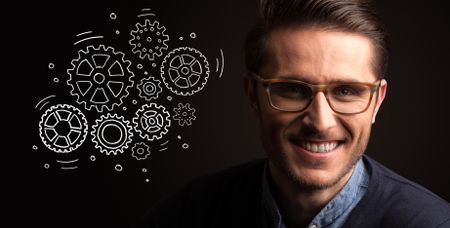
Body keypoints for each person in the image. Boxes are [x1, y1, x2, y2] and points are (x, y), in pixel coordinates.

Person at [134, 0, 450, 227]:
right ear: (252, 96)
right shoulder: (189, 214)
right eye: (292, 89)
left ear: (377, 102)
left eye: (346, 91)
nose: (320, 122)